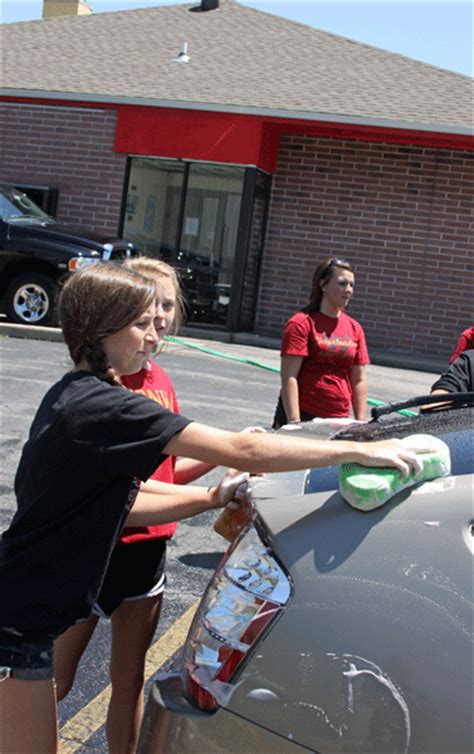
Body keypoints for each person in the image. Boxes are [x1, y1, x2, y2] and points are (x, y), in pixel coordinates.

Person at [0, 263, 434, 754]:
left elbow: (128, 498)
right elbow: (238, 449)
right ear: (104, 329)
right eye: (141, 323)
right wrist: (355, 450)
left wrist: (214, 498)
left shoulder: (76, 397)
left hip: (24, 617)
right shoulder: (107, 406)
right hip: (17, 625)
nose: (152, 334)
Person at [52, 258, 214, 754]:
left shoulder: (161, 380)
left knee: (129, 681)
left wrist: (220, 470)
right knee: (53, 678)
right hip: (95, 549)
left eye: (167, 305)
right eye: (148, 308)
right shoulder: (106, 383)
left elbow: (163, 476)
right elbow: (124, 495)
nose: (159, 317)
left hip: (147, 556)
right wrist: (219, 484)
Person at [273, 257, 369, 429]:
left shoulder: (355, 328)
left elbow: (359, 379)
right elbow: (289, 376)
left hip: (338, 419)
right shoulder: (301, 323)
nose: (348, 290)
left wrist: (361, 424)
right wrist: (294, 423)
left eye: (352, 285)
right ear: (323, 285)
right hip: (304, 415)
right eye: (342, 283)